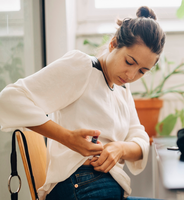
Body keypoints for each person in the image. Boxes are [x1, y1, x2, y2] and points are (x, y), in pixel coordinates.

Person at [0, 6, 165, 200]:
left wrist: (120, 149)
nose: (131, 75)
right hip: (80, 185)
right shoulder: (83, 67)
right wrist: (67, 138)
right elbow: (9, 99)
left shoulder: (122, 89)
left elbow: (141, 142)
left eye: (142, 71)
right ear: (113, 44)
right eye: (129, 62)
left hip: (111, 187)